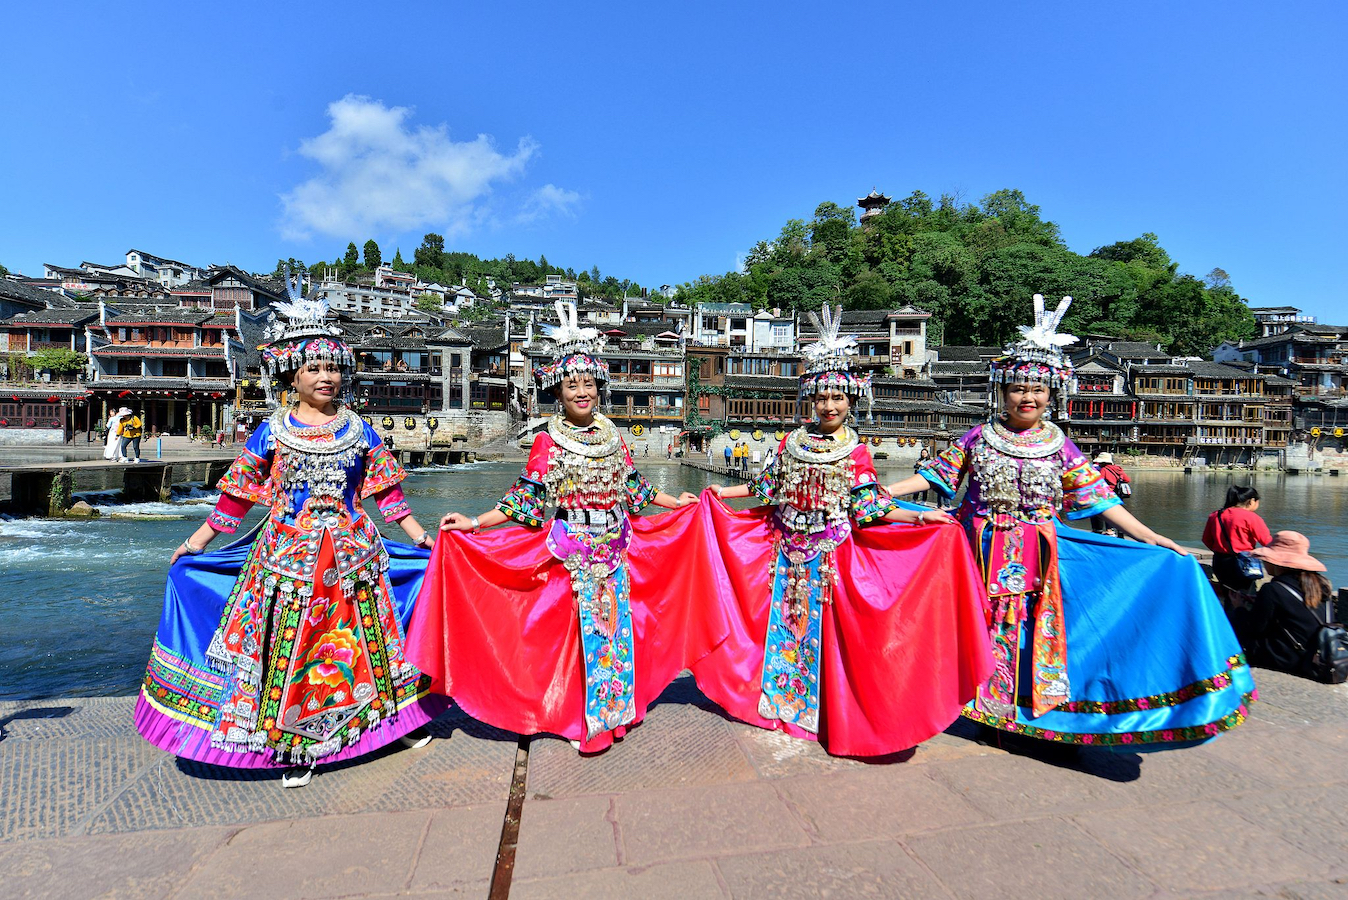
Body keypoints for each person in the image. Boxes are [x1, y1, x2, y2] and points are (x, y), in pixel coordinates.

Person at [887, 294, 1254, 746]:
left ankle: (1024, 711)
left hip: (1038, 554)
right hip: (973, 551)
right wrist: (879, 491)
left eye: (1038, 389)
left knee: (1029, 629)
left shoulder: (1060, 446)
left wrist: (1150, 535)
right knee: (975, 625)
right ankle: (977, 706)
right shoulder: (979, 437)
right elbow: (935, 476)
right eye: (1019, 388)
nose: (1028, 397)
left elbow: (1100, 501)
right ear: (1003, 391)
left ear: (1051, 394)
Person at [134, 278, 447, 788]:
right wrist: (196, 543)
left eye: (331, 368)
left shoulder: (358, 428)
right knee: (292, 652)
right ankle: (295, 744)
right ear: (291, 373)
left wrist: (419, 537)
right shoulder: (272, 430)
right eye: (313, 368)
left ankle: (389, 726)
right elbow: (236, 495)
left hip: (353, 558)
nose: (325, 377)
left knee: (365, 647)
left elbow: (386, 495)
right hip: (287, 560)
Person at [407, 301, 712, 754]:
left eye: (589, 382)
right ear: (558, 391)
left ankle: (614, 713)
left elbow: (634, 488)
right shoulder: (548, 440)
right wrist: (474, 522)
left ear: (600, 387)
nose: (582, 391)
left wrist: (676, 501)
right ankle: (578, 717)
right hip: (572, 551)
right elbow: (525, 499)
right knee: (574, 640)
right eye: (572, 384)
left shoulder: (612, 434)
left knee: (617, 629)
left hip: (616, 548)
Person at [693, 305, 992, 755]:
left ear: (852, 400)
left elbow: (867, 506)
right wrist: (724, 494)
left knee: (835, 639)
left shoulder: (857, 452)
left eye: (838, 398)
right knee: (774, 628)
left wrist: (918, 516)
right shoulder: (791, 442)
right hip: (784, 550)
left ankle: (828, 713)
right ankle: (779, 704)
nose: (829, 406)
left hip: (833, 558)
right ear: (809, 399)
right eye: (821, 397)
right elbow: (770, 486)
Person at [1229, 531, 1332, 675]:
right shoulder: (1322, 585)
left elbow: (1254, 628)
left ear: (1277, 563)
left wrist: (1239, 608)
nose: (1264, 562)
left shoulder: (1272, 589)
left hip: (1286, 659)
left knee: (1233, 625)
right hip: (1315, 655)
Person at [1202, 485, 1272, 595]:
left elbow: (1206, 539)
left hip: (1220, 561)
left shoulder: (1215, 515)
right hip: (1243, 563)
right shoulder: (1251, 517)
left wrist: (1221, 549)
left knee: (1227, 594)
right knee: (1243, 597)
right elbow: (1267, 542)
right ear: (1251, 501)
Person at [1089, 451, 1131, 537]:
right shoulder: (1118, 468)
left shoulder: (1104, 470)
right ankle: (1119, 532)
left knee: (1107, 512)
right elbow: (1127, 479)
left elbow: (1099, 481)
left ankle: (1109, 531)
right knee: (1118, 513)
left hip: (1108, 493)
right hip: (1118, 494)